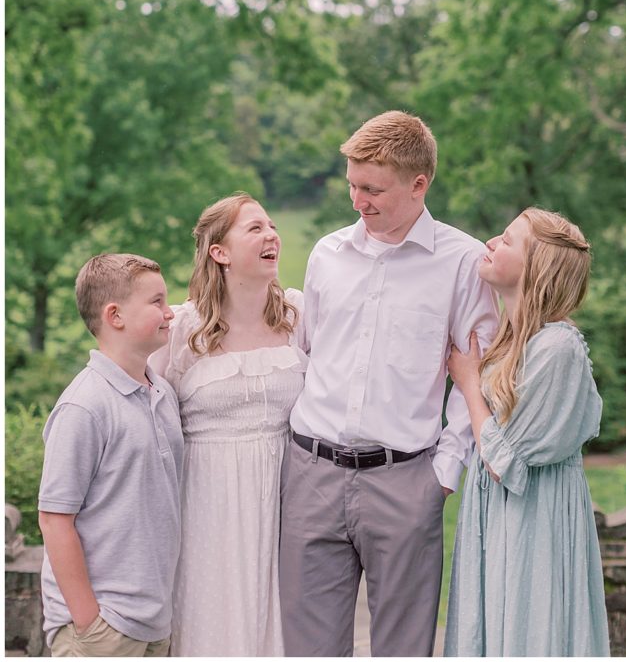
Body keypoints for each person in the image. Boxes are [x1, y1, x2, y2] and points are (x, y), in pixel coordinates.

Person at [279, 110, 500, 658]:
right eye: (353, 185)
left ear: (418, 184)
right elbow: (305, 354)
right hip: (310, 475)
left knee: (404, 649)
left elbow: (479, 373)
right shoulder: (327, 255)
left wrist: (443, 475)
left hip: (405, 481)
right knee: (308, 650)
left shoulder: (465, 262)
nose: (358, 200)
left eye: (373, 189)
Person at [443, 207, 610, 657]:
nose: (492, 242)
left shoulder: (558, 348)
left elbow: (503, 461)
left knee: (530, 628)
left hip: (534, 518)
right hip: (501, 515)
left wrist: (470, 383)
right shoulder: (513, 340)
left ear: (537, 268)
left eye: (509, 240)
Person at [149, 193, 306, 657]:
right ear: (219, 251)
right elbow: (142, 415)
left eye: (272, 225)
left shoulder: (298, 314)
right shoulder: (181, 328)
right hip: (205, 505)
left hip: (286, 502)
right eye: (254, 228)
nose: (271, 235)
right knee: (209, 622)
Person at [38, 253, 183, 657]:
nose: (169, 312)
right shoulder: (84, 406)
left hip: (156, 622)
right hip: (103, 630)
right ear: (115, 315)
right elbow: (53, 519)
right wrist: (89, 622)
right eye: (156, 302)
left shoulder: (163, 393)